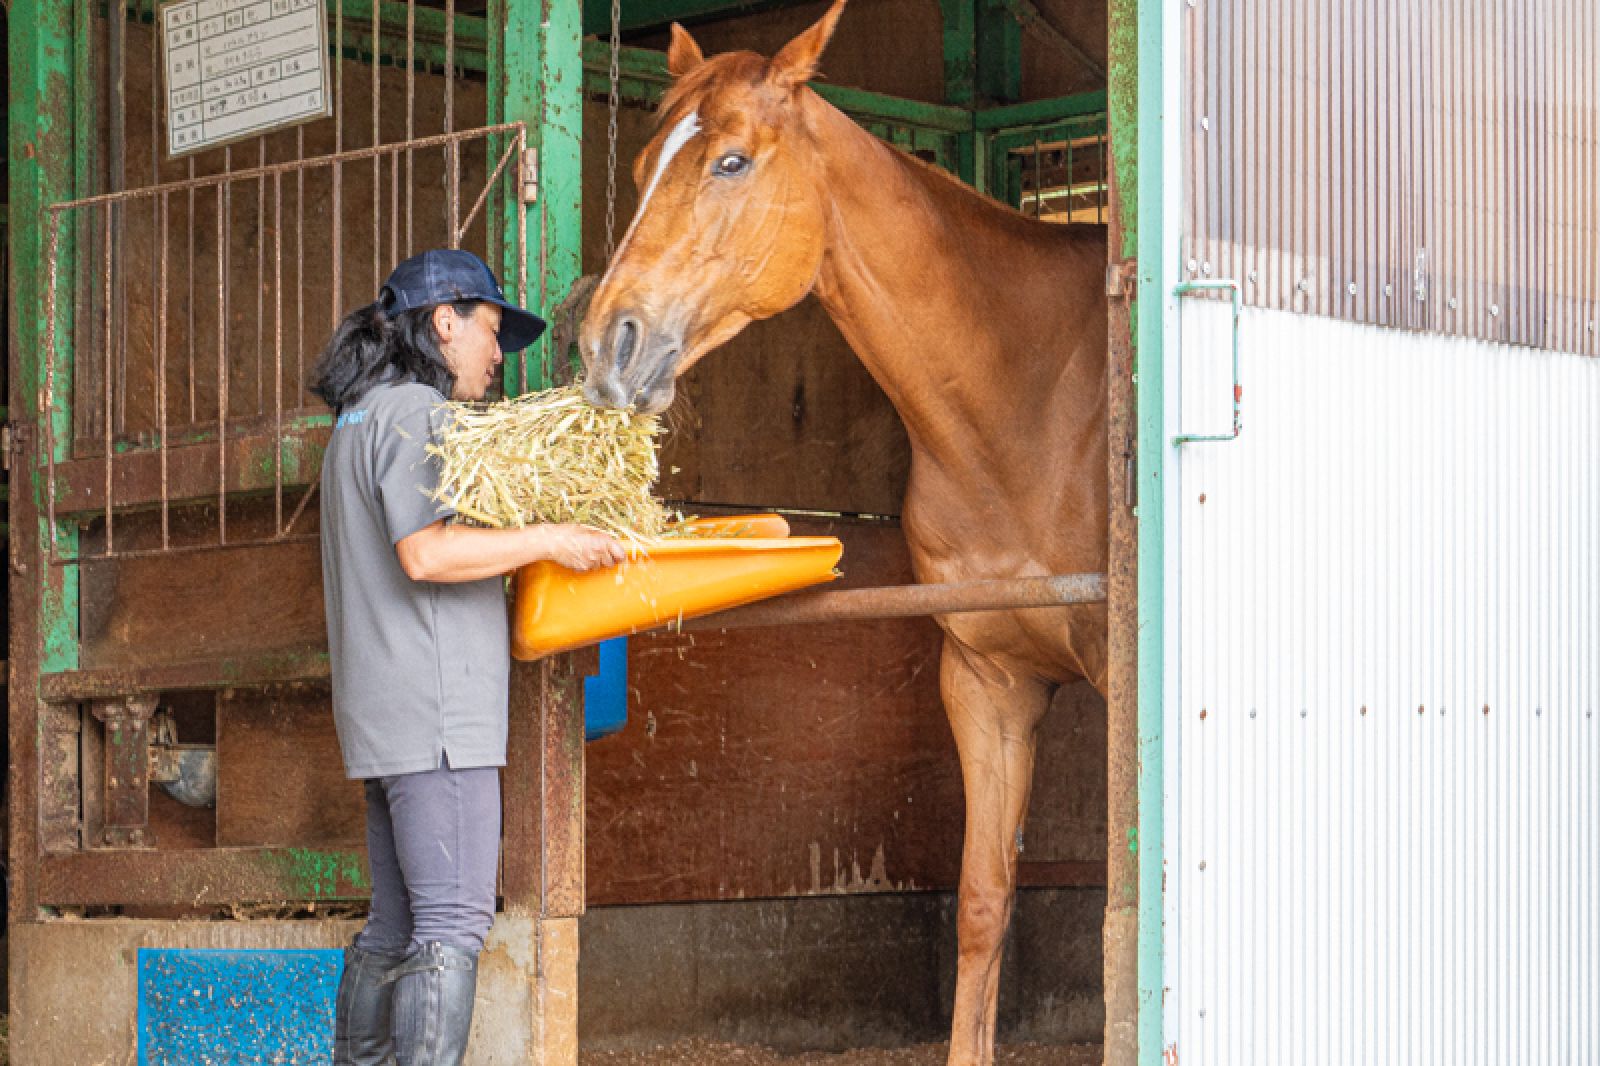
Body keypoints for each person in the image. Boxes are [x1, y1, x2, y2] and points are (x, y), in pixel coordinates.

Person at [310, 249, 626, 1065]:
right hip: (438, 711)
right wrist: (551, 538)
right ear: (443, 321)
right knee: (451, 922)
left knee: (396, 922)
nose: (497, 355)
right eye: (490, 331)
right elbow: (425, 552)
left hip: (383, 713)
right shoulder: (417, 411)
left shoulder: (357, 416)